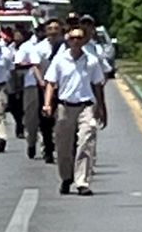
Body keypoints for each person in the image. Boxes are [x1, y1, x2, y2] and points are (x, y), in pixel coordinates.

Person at [43, 25, 108, 195]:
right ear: (68, 40)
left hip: (86, 106)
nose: (76, 41)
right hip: (65, 107)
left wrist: (101, 108)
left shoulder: (91, 61)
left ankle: (82, 182)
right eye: (73, 38)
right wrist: (47, 104)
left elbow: (97, 85)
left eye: (79, 38)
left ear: (84, 40)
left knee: (86, 142)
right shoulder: (60, 60)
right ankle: (66, 177)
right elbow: (50, 82)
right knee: (63, 146)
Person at [14, 21, 46, 159]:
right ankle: (31, 142)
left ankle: (47, 146)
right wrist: (32, 65)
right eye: (41, 30)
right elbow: (17, 64)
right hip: (32, 84)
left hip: (51, 85)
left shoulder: (55, 46)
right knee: (31, 117)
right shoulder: (27, 46)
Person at [36, 19, 66, 164]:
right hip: (45, 88)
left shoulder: (66, 46)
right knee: (45, 121)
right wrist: (41, 81)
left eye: (56, 28)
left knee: (62, 120)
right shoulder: (39, 47)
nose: (53, 31)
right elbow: (35, 66)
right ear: (46, 31)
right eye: (50, 28)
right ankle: (48, 149)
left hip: (63, 88)